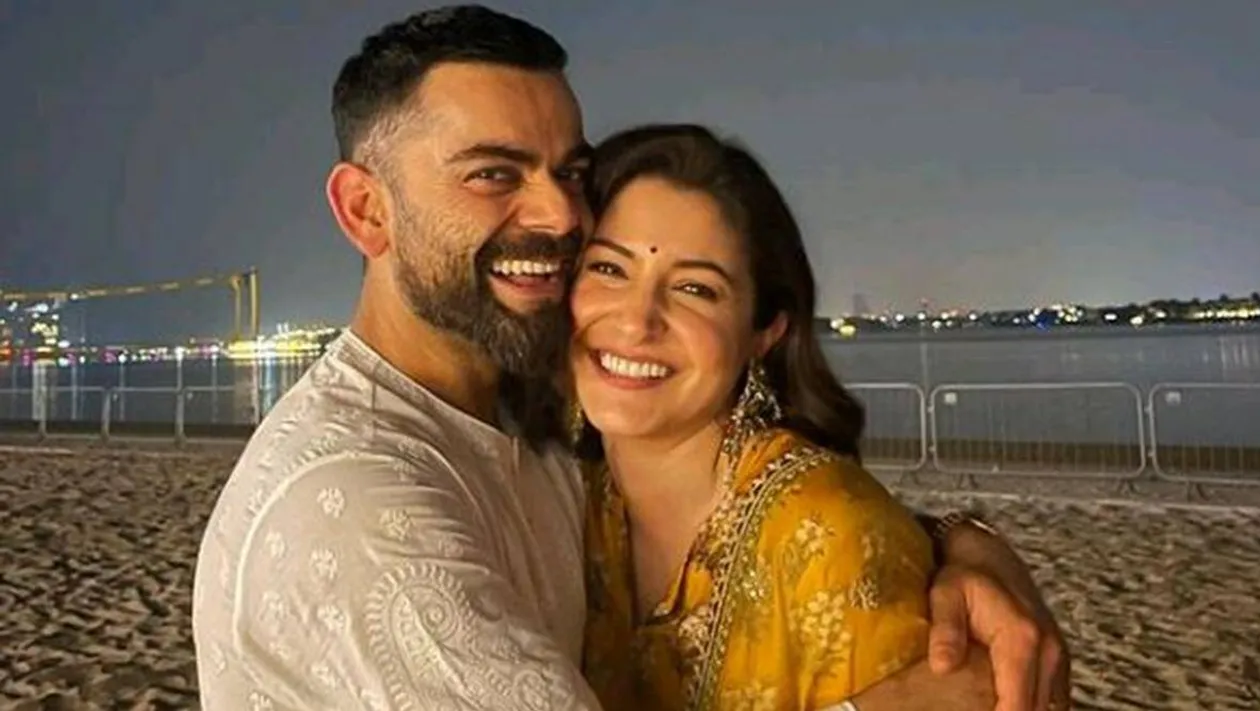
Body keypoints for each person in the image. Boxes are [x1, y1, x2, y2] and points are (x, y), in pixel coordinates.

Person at [191, 6, 1070, 711]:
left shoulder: (530, 422)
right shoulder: (354, 505)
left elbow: (764, 515)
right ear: (366, 211)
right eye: (494, 174)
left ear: (765, 327)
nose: (560, 216)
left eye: (569, 173)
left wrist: (962, 545)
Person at [572, 123, 936, 710]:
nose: (637, 321)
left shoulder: (829, 537)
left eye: (695, 289)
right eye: (609, 269)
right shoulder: (557, 495)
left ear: (765, 331)